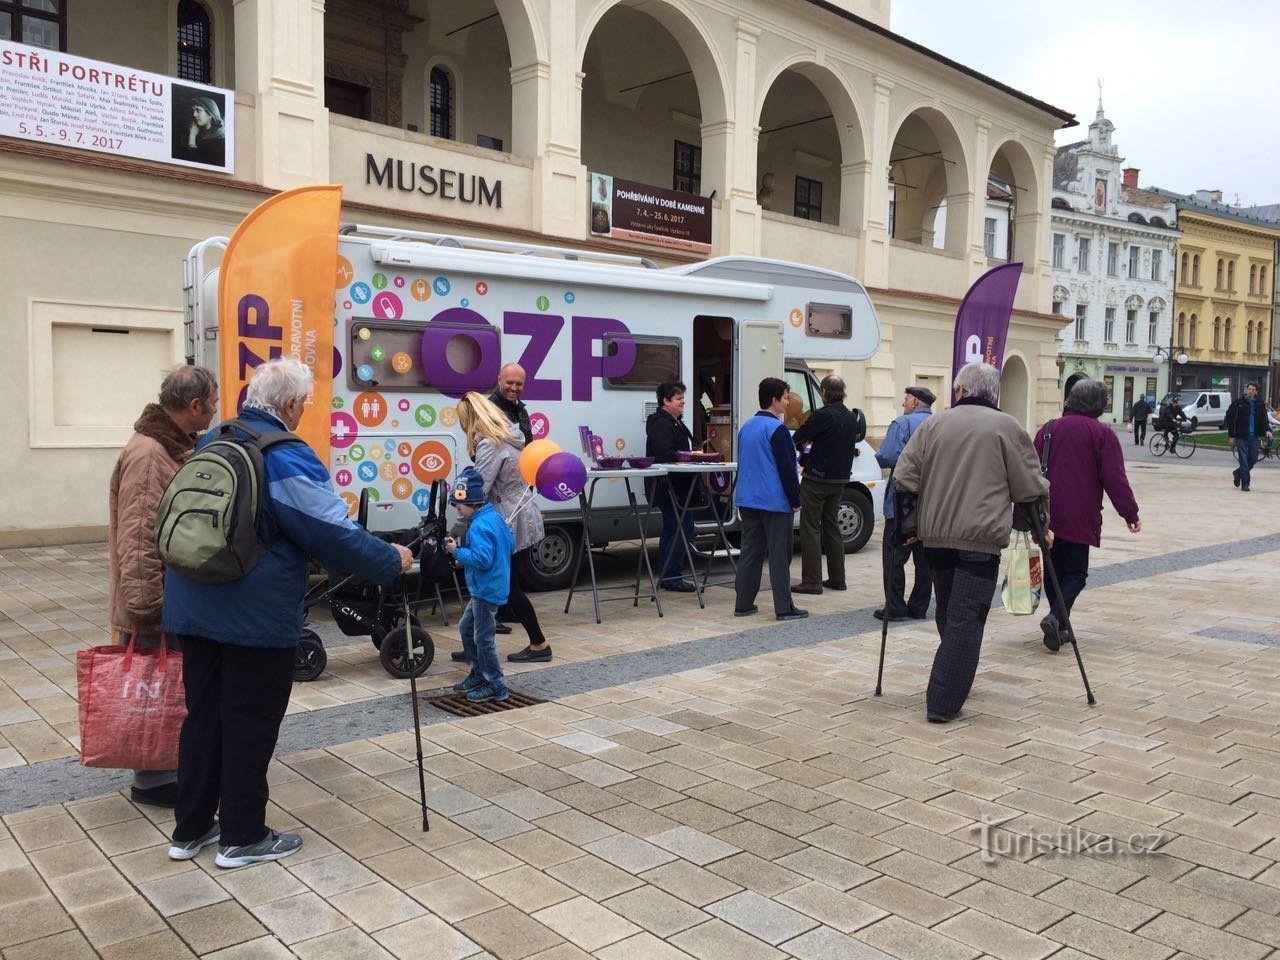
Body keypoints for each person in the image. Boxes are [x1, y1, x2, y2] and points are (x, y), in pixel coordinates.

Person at [163, 358, 412, 868]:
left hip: (192, 604)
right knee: (249, 722)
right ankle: (243, 836)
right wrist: (392, 559)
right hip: (252, 616)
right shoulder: (286, 454)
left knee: (204, 719)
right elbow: (329, 533)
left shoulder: (212, 441)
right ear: (291, 405)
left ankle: (190, 830)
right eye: (306, 403)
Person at [893, 363, 1048, 723]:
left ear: (960, 390)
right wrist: (1042, 524)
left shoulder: (934, 424)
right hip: (980, 541)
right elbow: (1029, 484)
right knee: (966, 618)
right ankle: (943, 699)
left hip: (936, 538)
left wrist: (908, 527)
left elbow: (904, 476)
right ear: (994, 394)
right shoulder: (1007, 427)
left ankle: (953, 674)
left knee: (949, 611)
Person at [108, 365, 218, 807]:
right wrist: (146, 607)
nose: (214, 409)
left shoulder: (167, 448)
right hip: (153, 602)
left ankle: (161, 772)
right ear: (194, 406)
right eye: (211, 402)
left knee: (161, 689)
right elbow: (138, 539)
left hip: (164, 599)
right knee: (153, 690)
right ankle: (153, 781)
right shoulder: (153, 454)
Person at [1034, 379, 1141, 652]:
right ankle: (1057, 617)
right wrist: (1130, 513)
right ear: (1098, 404)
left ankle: (1059, 623)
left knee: (1053, 571)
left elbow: (1030, 469)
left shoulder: (1047, 430)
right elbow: (1114, 478)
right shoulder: (1102, 434)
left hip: (1046, 513)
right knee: (1077, 573)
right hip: (1079, 514)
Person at [455, 392, 552, 662]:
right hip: (518, 513)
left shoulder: (490, 444)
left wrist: (458, 528)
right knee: (502, 583)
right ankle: (476, 642)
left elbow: (478, 491)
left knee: (506, 585)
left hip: (505, 518)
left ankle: (539, 644)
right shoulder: (511, 437)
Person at [734, 378, 806, 621]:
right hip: (774, 501)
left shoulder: (746, 427)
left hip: (747, 498)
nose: (788, 402)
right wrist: (795, 499)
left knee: (750, 552)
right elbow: (787, 469)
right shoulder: (777, 429)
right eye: (785, 397)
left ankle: (743, 603)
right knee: (779, 555)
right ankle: (784, 607)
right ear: (774, 399)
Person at [444, 467, 515, 703]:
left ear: (471, 502)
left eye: (459, 506)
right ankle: (478, 672)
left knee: (483, 638)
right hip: (486, 588)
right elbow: (510, 544)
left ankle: (495, 684)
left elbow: (482, 560)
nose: (458, 510)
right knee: (466, 628)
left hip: (486, 590)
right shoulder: (493, 518)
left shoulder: (479, 526)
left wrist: (457, 551)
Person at [791, 375, 862, 594]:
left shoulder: (822, 416)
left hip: (817, 479)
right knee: (832, 527)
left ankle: (812, 581)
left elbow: (798, 437)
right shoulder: (851, 417)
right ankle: (838, 578)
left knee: (810, 527)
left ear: (824, 393)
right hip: (839, 480)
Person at [873, 385, 935, 621]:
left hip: (903, 500)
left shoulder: (902, 424)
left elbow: (887, 456)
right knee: (925, 558)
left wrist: (878, 457)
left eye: (906, 399)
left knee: (894, 556)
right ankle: (919, 606)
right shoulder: (939, 425)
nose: (903, 403)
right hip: (932, 500)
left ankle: (896, 606)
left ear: (915, 402)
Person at [645, 380, 696, 592]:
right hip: (669, 487)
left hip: (678, 487)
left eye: (683, 397)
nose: (683, 401)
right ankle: (672, 576)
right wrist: (687, 457)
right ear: (666, 401)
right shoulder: (661, 424)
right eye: (678, 398)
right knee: (679, 528)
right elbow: (663, 453)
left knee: (677, 528)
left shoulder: (674, 421)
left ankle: (670, 574)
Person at [1225, 382, 1273, 492]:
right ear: (1246, 390)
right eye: (1249, 389)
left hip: (1254, 436)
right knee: (1244, 460)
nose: (1250, 391)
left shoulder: (1259, 404)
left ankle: (1238, 473)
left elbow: (1264, 419)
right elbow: (1230, 418)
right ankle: (1245, 484)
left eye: (1253, 389)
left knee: (1254, 458)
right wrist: (1231, 435)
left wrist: (1267, 430)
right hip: (1241, 436)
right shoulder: (1238, 403)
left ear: (1256, 391)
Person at [490, 363, 534, 444]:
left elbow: (528, 444)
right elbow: (476, 452)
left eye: (519, 384)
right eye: (510, 383)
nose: (514, 388)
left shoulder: (522, 411)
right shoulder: (487, 410)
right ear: (499, 381)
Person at [181, 96, 226, 167]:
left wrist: (192, 137)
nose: (194, 114)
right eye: (194, 111)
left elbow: (195, 165)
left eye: (198, 110)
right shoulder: (195, 134)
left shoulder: (221, 140)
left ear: (210, 114)